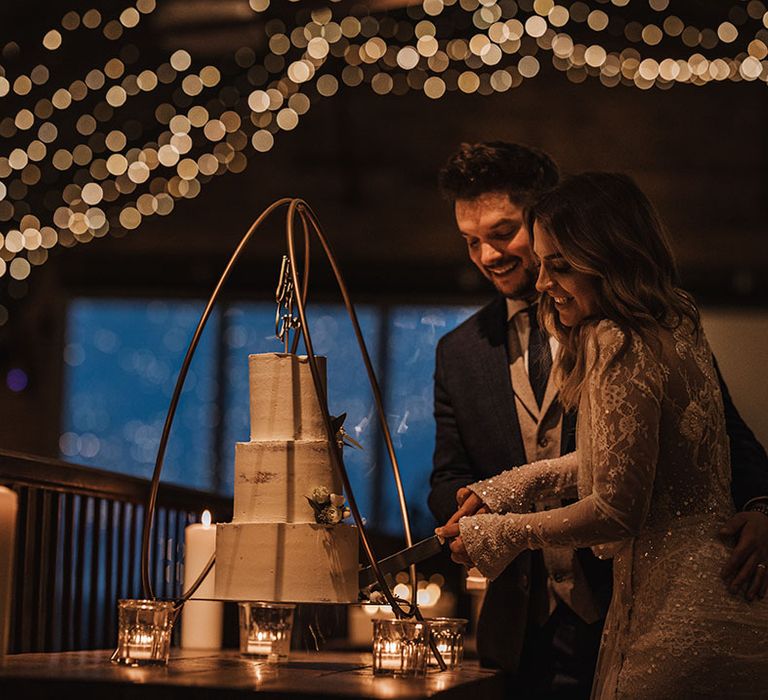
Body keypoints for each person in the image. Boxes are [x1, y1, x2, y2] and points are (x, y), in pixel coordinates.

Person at [428, 143, 768, 697]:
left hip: (634, 599)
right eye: (471, 242)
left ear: (547, 219)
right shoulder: (459, 350)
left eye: (503, 232)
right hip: (525, 622)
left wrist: (762, 507)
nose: (487, 255)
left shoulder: (624, 327)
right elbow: (448, 477)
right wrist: (479, 514)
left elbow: (717, 433)